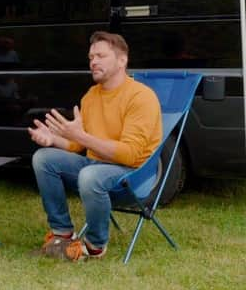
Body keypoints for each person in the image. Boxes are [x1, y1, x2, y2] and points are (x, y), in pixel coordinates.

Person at [29, 31, 162, 261]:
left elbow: (129, 155)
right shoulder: (91, 96)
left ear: (122, 60)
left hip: (130, 174)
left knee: (90, 175)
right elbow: (77, 145)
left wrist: (80, 136)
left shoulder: (141, 97)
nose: (93, 62)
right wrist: (54, 140)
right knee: (43, 158)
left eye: (101, 55)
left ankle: (95, 246)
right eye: (91, 57)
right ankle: (62, 234)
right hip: (95, 164)